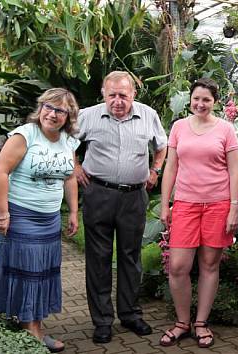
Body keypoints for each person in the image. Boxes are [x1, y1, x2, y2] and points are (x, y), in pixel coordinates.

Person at [74, 71, 167, 343]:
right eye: (112, 95)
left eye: (123, 95)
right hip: (98, 194)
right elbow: (66, 143)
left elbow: (162, 146)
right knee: (98, 259)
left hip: (134, 197)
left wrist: (156, 170)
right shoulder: (88, 115)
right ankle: (102, 321)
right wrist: (76, 166)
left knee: (130, 257)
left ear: (133, 95)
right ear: (103, 93)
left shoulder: (148, 115)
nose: (117, 101)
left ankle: (130, 315)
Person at [0, 88, 80, 353]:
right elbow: (1, 172)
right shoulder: (24, 135)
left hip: (50, 219)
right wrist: (2, 212)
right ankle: (32, 331)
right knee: (29, 274)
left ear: (68, 116)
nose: (52, 114)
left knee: (42, 274)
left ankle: (28, 325)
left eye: (60, 110)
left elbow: (70, 176)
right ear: (40, 109)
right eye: (48, 108)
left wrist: (73, 211)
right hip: (21, 217)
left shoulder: (68, 142)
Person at [158, 78, 238, 348]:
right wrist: (164, 203)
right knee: (178, 266)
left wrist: (233, 208)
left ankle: (201, 323)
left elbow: (234, 171)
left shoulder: (226, 129)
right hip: (185, 204)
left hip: (217, 204)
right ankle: (182, 322)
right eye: (196, 99)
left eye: (206, 99)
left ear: (214, 102)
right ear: (190, 99)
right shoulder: (179, 127)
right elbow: (170, 166)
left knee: (209, 265)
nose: (200, 104)